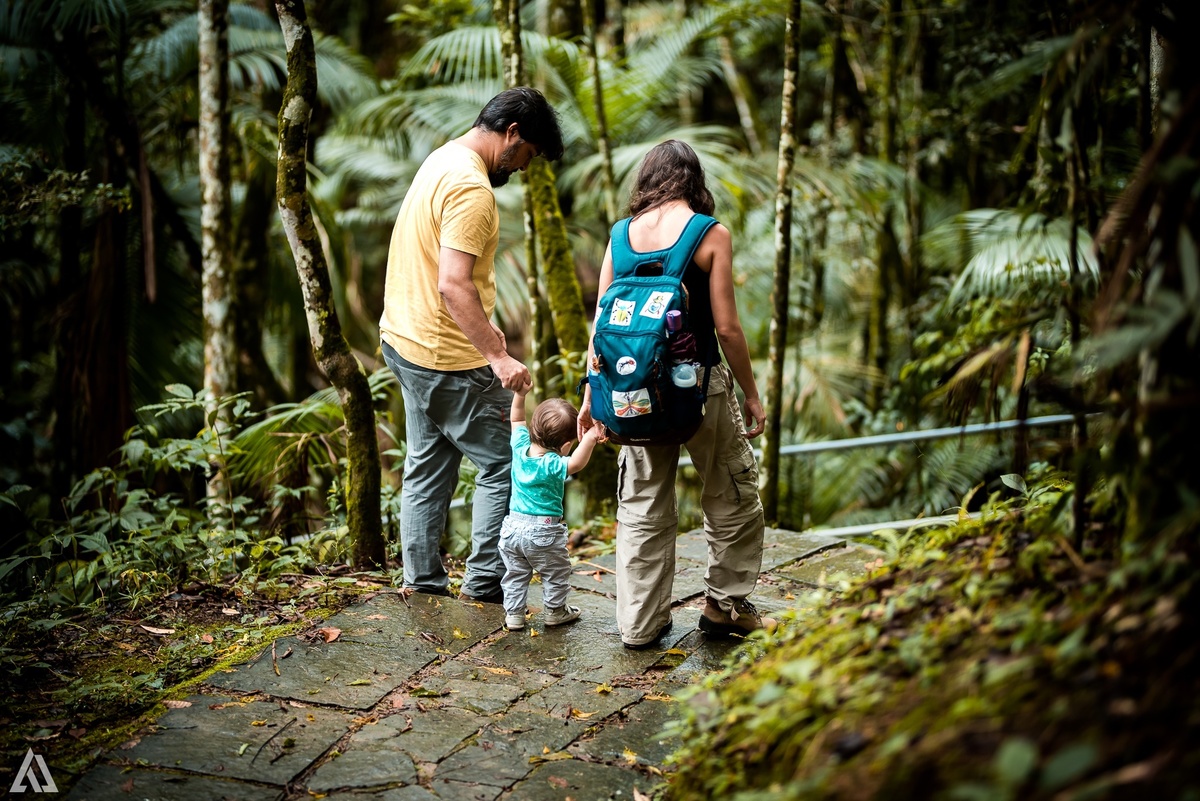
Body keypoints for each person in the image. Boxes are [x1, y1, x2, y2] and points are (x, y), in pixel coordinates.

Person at [578, 140, 776, 649]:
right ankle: (723, 606)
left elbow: (601, 323)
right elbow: (728, 329)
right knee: (731, 493)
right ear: (695, 181)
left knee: (642, 504)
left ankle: (640, 625)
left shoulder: (620, 237)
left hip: (631, 395)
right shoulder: (711, 235)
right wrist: (751, 393)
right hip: (700, 388)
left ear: (646, 181)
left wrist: (590, 395)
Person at [379, 88, 565, 603]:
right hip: (443, 355)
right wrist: (497, 356)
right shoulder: (472, 190)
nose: (525, 167)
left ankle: (422, 588)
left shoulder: (443, 158)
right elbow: (453, 284)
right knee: (508, 461)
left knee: (426, 464)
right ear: (511, 135)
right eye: (528, 154)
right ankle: (484, 587)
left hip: (405, 340)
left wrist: (485, 331)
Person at [499, 387, 605, 631]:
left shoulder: (520, 448)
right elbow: (577, 463)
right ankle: (555, 612)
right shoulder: (553, 463)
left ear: (533, 428)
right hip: (543, 532)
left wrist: (521, 394)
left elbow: (516, 418)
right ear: (566, 445)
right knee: (556, 573)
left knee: (515, 575)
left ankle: (514, 615)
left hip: (512, 529)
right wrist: (590, 437)